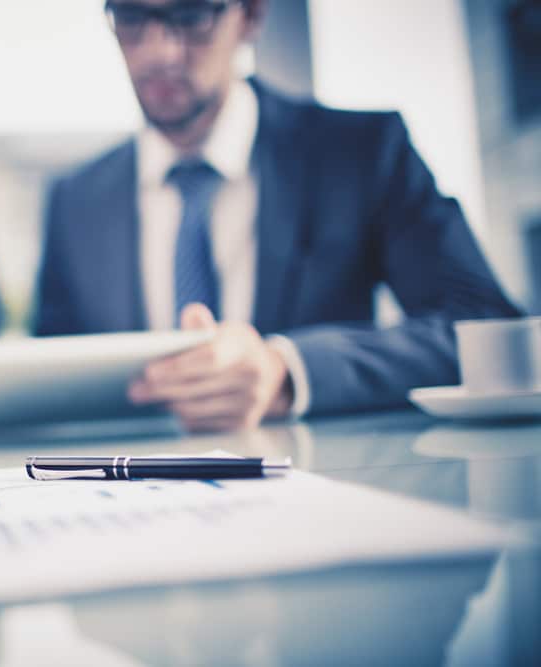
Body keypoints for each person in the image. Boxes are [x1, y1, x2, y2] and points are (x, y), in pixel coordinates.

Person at [35, 0, 520, 431]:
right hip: (135, 503)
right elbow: (46, 376)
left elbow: (488, 332)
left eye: (191, 15)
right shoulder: (75, 198)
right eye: (133, 17)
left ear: (250, 15)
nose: (160, 50)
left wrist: (288, 370)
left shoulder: (361, 152)